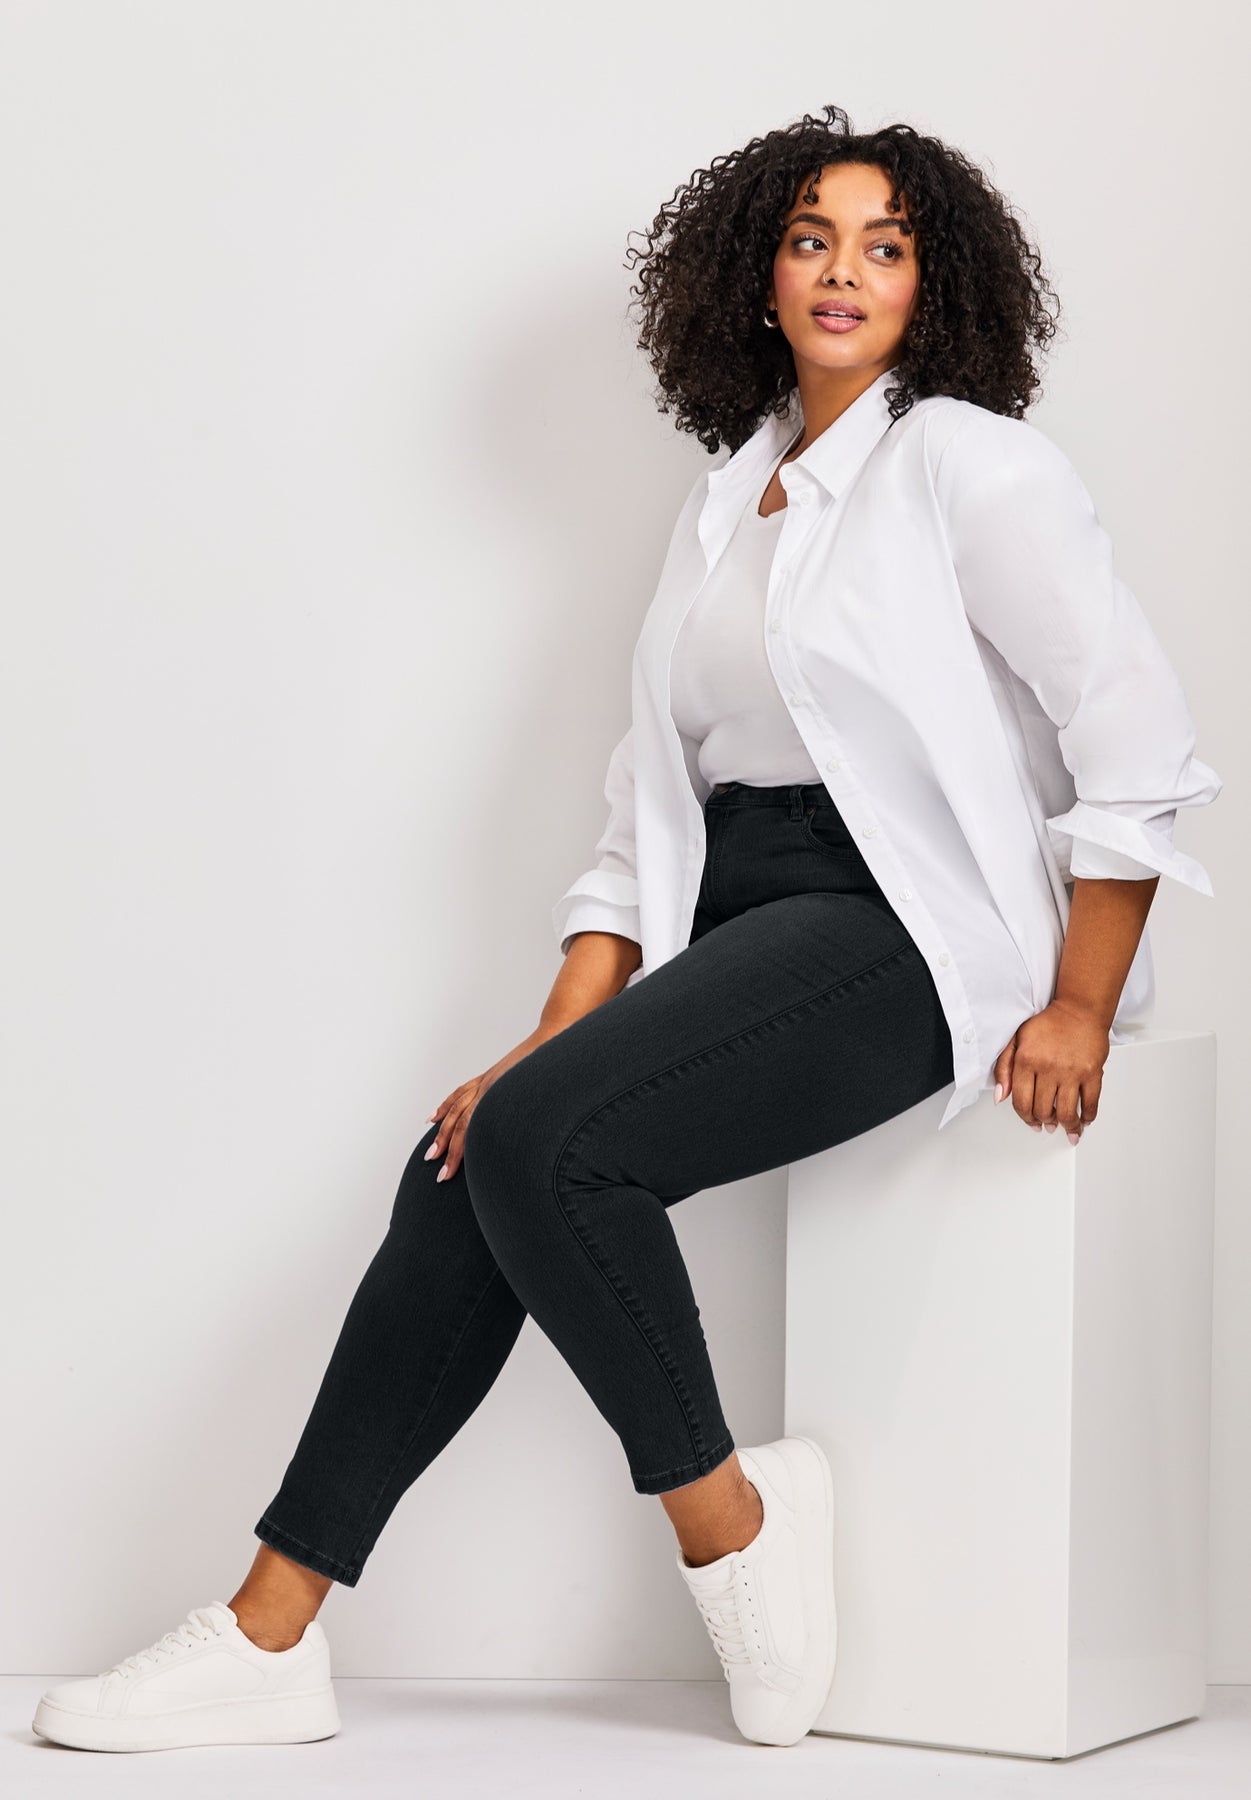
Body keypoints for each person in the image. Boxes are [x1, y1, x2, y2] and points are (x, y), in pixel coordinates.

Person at [33, 104, 1221, 1756]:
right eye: (811, 239)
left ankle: (729, 1536)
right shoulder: (728, 501)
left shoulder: (972, 465)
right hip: (742, 911)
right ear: (758, 276)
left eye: (886, 246)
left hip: (906, 925)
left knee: (547, 1146)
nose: (844, 270)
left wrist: (1081, 1002)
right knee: (470, 1153)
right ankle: (270, 1631)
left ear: (933, 285)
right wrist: (546, 1040)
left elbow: (1136, 743)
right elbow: (640, 816)